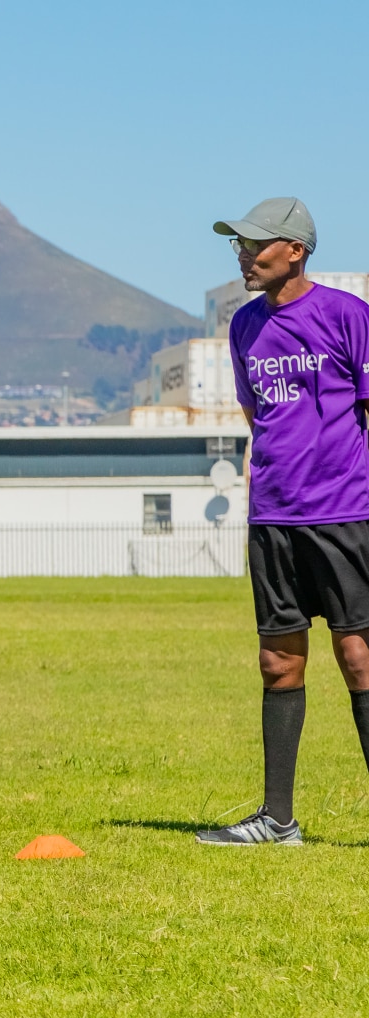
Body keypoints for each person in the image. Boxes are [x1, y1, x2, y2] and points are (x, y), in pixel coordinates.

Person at [198, 198, 369, 847]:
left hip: (346, 514)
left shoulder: (349, 317)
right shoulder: (244, 326)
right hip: (272, 517)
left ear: (294, 249)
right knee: (277, 661)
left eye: (254, 244)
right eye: (238, 246)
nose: (243, 256)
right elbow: (258, 416)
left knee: (359, 656)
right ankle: (277, 820)